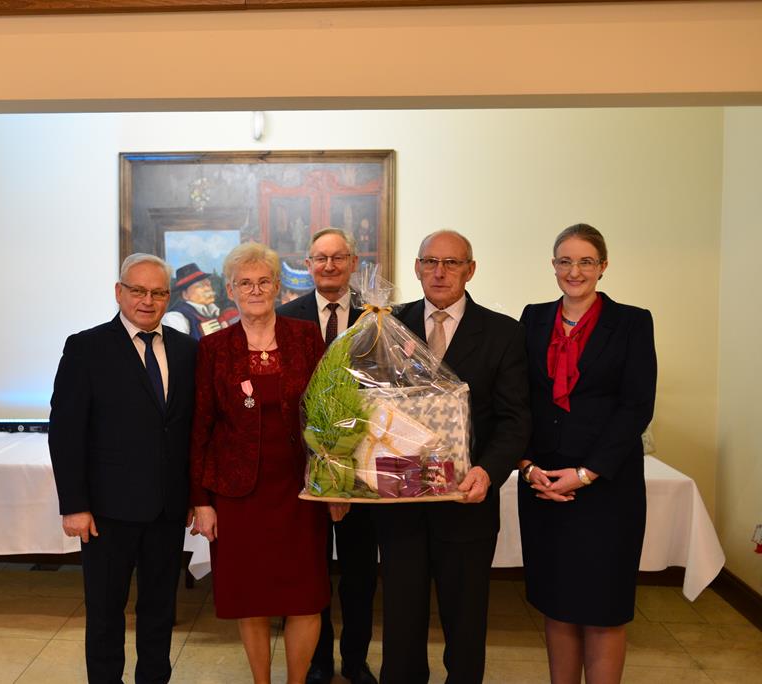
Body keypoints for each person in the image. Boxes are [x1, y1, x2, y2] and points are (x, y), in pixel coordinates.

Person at [379, 230, 531, 683]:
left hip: (468, 501)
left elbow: (515, 419)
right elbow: (371, 407)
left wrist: (488, 471)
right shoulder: (388, 325)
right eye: (430, 261)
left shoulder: (504, 332)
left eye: (451, 263)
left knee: (465, 623)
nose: (439, 272)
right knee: (400, 621)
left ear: (470, 270)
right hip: (401, 502)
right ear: (416, 268)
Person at [189, 242, 343, 684]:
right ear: (231, 290)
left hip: (300, 492)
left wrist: (336, 485)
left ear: (277, 286)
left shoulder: (306, 337)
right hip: (238, 496)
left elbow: (331, 414)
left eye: (263, 282)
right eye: (245, 283)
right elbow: (201, 427)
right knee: (250, 598)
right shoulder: (214, 347)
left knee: (306, 598)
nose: (254, 290)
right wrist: (201, 501)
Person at [48, 253, 198, 684]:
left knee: (159, 612)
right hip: (106, 512)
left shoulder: (188, 350)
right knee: (105, 614)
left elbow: (190, 428)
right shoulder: (86, 348)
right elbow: (66, 431)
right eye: (137, 291)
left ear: (169, 297)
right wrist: (74, 505)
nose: (147, 301)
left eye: (158, 292)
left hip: (167, 509)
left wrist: (194, 494)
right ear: (119, 292)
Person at [517, 224, 656, 684]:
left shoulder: (632, 322)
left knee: (603, 609)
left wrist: (586, 472)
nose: (574, 271)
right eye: (565, 261)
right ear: (553, 265)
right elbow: (520, 398)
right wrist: (528, 467)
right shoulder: (533, 318)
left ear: (602, 266)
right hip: (544, 485)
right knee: (556, 603)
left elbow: (636, 406)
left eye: (585, 261)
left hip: (605, 488)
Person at [277, 228, 378, 684]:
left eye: (339, 257)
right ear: (308, 264)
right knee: (309, 573)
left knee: (360, 574)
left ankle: (355, 660)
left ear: (353, 263)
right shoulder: (285, 317)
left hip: (362, 470)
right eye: (321, 258)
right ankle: (317, 661)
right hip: (302, 472)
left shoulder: (378, 318)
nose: (330, 265)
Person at [161, 262, 235, 339]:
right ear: (185, 294)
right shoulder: (175, 318)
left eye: (208, 284)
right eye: (200, 286)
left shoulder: (216, 311)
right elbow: (177, 346)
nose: (208, 289)